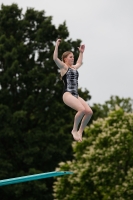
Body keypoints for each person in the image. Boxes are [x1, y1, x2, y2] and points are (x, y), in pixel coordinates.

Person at [53, 39, 93, 142]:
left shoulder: (74, 68)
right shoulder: (64, 67)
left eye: (73, 57)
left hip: (75, 94)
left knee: (89, 112)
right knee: (81, 110)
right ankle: (74, 130)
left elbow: (79, 62)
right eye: (71, 57)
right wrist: (56, 46)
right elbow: (55, 58)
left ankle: (80, 131)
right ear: (65, 59)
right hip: (67, 94)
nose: (73, 59)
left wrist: (81, 52)